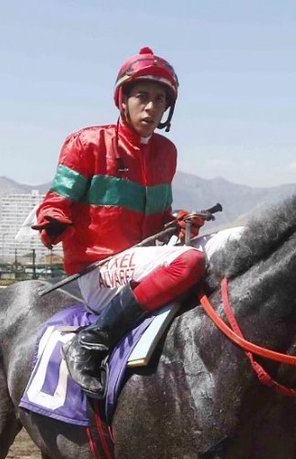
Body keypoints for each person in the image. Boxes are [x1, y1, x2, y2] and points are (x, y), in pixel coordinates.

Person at [34, 47, 207, 399]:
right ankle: (90, 343)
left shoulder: (165, 152)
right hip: (98, 269)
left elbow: (159, 218)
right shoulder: (87, 143)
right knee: (191, 261)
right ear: (123, 99)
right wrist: (52, 220)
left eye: (160, 100)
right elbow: (58, 198)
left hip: (141, 265)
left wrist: (177, 221)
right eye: (142, 97)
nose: (151, 107)